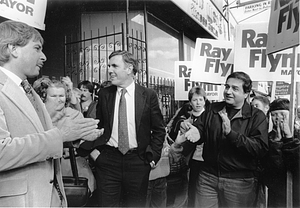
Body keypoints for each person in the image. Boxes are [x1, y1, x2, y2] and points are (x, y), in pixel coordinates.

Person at [0, 20, 101, 207]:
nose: (44, 56)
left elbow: (39, 137)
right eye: (37, 48)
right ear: (13, 49)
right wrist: (60, 136)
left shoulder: (28, 90)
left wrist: (75, 134)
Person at [80, 50, 165, 207]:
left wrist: (153, 157)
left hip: (138, 162)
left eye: (114, 66)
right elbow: (98, 126)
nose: (109, 70)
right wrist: (94, 153)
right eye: (109, 66)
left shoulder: (148, 95)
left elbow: (159, 129)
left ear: (129, 69)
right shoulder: (105, 94)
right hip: (108, 161)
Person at [180, 71, 269, 207]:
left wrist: (231, 134)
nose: (228, 91)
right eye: (227, 86)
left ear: (246, 93)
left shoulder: (257, 116)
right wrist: (195, 132)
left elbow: (259, 148)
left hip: (239, 182)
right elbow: (201, 129)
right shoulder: (212, 109)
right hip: (208, 178)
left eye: (235, 88)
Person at [33, 77, 101, 200]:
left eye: (62, 96)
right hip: (41, 167)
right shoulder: (35, 116)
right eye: (54, 96)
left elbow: (84, 140)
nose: (59, 100)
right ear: (43, 97)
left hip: (70, 165)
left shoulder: (74, 114)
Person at [166, 86, 208, 208]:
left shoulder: (210, 118)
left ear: (205, 100)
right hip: (191, 161)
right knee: (192, 192)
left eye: (200, 99)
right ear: (190, 102)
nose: (198, 103)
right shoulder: (186, 122)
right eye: (195, 100)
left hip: (206, 161)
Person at [262, 98, 300, 207]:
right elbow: (271, 169)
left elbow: (296, 166)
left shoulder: (298, 134)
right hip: (277, 192)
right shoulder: (268, 138)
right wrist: (276, 144)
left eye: (282, 114)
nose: (278, 118)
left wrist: (289, 139)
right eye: (274, 115)